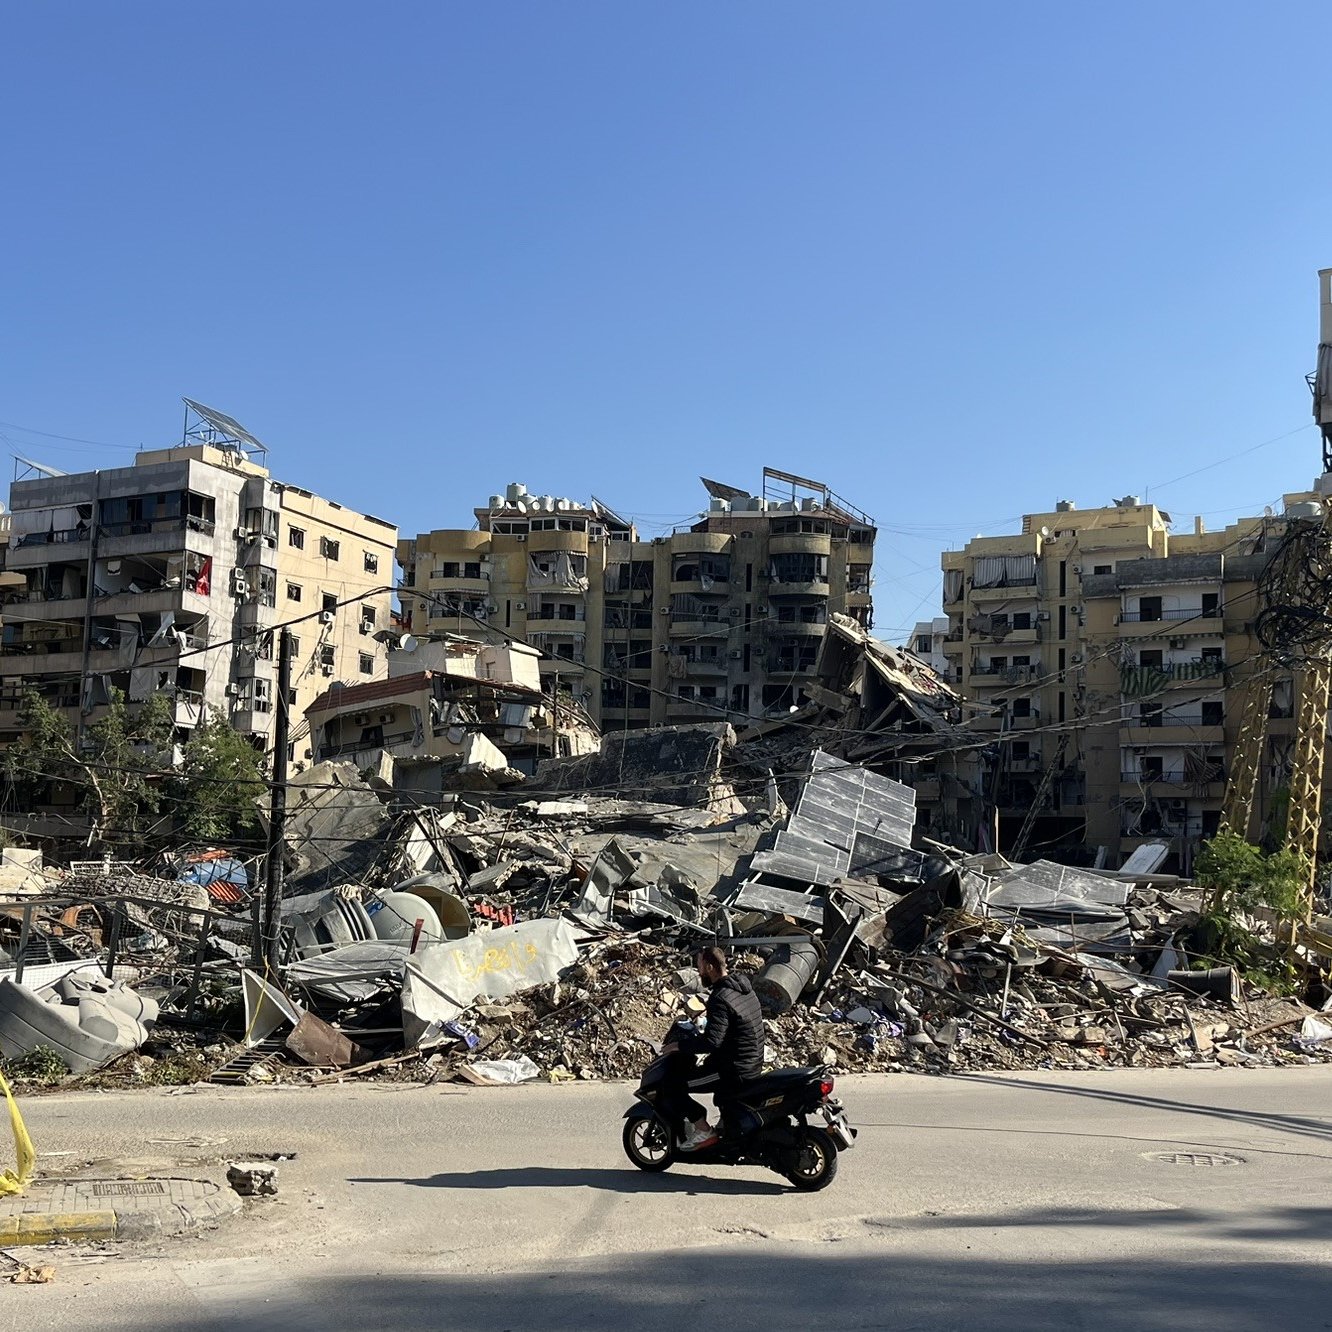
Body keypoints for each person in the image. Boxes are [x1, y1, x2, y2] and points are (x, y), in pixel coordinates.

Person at [660, 945, 765, 1151]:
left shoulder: (720, 997)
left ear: (709, 967)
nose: (698, 972)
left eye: (699, 967)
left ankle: (703, 1130)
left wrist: (678, 1046)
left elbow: (712, 1042)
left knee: (672, 1086)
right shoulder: (743, 987)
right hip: (752, 1061)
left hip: (733, 1070)